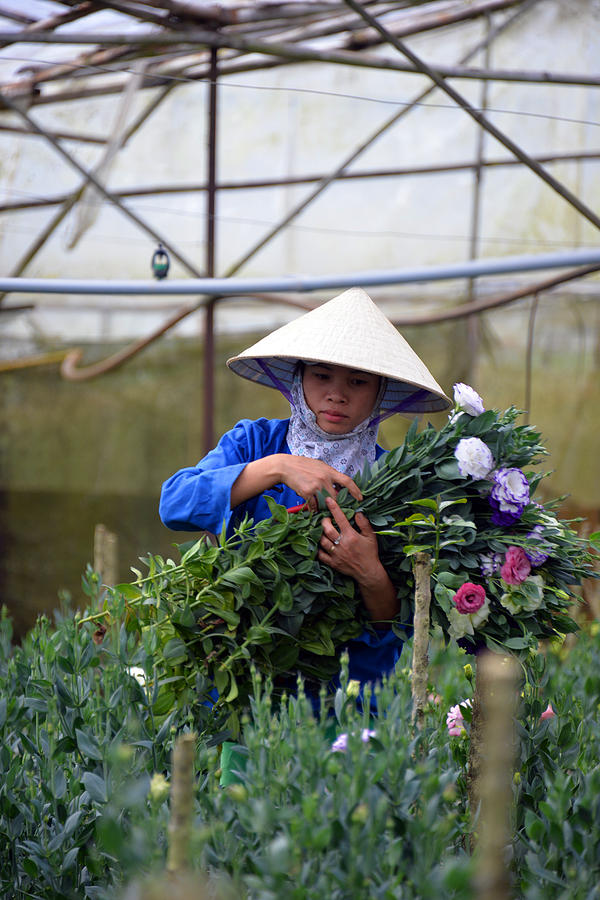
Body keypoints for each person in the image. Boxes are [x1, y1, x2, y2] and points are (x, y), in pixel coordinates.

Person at [159, 286, 450, 699]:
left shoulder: (397, 483)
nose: (337, 393)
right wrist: (278, 467)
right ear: (298, 379)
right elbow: (175, 503)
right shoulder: (255, 443)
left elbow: (397, 627)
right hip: (240, 685)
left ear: (380, 393)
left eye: (357, 380)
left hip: (342, 702)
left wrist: (370, 573)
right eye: (321, 375)